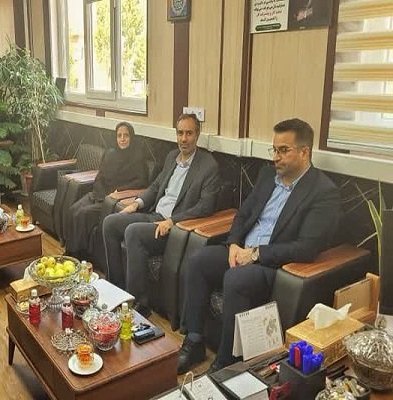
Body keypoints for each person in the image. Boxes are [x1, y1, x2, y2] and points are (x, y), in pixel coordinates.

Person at [177, 118, 340, 375]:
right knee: (198, 260)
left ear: (304, 152)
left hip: (273, 264)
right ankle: (195, 340)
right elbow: (243, 214)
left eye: (283, 150)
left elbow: (306, 247)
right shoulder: (267, 176)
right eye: (274, 150)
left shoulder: (322, 192)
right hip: (242, 250)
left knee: (236, 279)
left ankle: (225, 364)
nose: (276, 157)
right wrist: (233, 243)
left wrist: (254, 254)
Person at [102, 113, 220, 317]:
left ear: (197, 135)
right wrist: (137, 203)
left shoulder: (208, 166)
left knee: (133, 232)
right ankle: (117, 289)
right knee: (110, 223)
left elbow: (205, 207)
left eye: (189, 133)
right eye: (180, 133)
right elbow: (156, 186)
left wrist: (173, 221)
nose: (184, 139)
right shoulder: (171, 157)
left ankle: (139, 305)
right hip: (154, 215)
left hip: (174, 229)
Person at [63, 122, 148, 260]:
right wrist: (99, 193)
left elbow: (142, 181)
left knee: (82, 214)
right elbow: (100, 176)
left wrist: (118, 191)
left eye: (126, 135)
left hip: (113, 200)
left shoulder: (137, 158)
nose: (122, 139)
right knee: (73, 209)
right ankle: (70, 251)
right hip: (98, 194)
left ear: (131, 137)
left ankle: (78, 255)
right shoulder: (110, 153)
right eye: (119, 135)